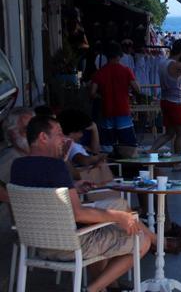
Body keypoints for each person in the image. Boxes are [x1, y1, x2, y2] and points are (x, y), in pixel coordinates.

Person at [10, 116, 154, 292]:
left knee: (111, 217)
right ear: (43, 137)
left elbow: (45, 194)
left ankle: (107, 287)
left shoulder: (17, 167)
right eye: (59, 134)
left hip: (39, 244)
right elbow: (78, 214)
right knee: (141, 240)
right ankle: (92, 289)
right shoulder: (55, 167)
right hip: (71, 244)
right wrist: (119, 217)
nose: (64, 139)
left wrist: (71, 182)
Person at [149, 39, 181, 156]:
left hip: (165, 101)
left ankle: (151, 150)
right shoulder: (175, 65)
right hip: (176, 103)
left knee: (169, 133)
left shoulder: (163, 62)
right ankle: (178, 162)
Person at [90, 42, 140, 158]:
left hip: (106, 112)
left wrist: (101, 96)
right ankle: (128, 170)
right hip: (123, 111)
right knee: (129, 147)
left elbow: (92, 93)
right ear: (120, 55)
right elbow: (137, 89)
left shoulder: (100, 73)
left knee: (107, 148)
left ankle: (111, 170)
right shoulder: (126, 71)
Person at [0, 107, 34, 205]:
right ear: (11, 132)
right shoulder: (9, 157)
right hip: (11, 218)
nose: (32, 134)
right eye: (26, 129)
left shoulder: (27, 156)